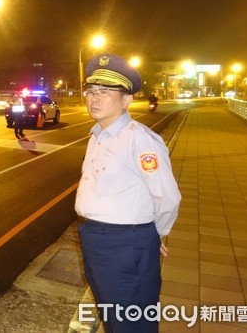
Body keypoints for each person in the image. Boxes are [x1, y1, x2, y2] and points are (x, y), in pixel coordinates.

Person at [75, 53, 181, 333]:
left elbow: (167, 197)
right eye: (91, 91)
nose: (94, 98)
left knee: (132, 322)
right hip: (93, 238)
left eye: (106, 91)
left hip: (125, 244)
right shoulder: (97, 135)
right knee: (112, 316)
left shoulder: (140, 140)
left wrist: (152, 234)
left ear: (126, 100)